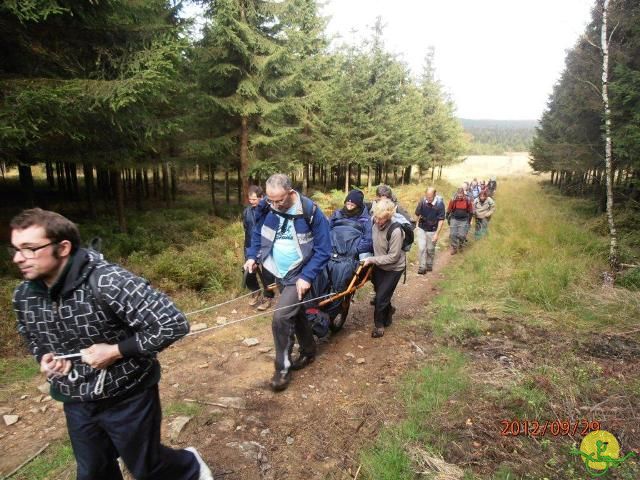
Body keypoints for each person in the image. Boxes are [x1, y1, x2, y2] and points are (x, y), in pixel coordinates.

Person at [10, 209, 213, 480]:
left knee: (146, 468)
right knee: (93, 472)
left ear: (63, 247)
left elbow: (172, 323)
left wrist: (115, 351)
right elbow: (31, 335)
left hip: (129, 394)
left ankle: (191, 466)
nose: (18, 258)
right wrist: (45, 358)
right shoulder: (24, 295)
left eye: (30, 249)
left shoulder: (108, 281)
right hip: (77, 398)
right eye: (15, 249)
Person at [244, 174, 331, 392]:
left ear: (291, 193)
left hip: (299, 273)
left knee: (281, 317)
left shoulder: (310, 211)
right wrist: (253, 256)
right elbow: (258, 232)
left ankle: (282, 369)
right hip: (278, 271)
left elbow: (324, 249)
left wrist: (307, 276)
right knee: (295, 311)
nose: (274, 205)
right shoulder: (267, 206)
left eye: (279, 200)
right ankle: (309, 350)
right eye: (271, 200)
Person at [363, 198, 406, 338]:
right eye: (375, 217)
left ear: (388, 217)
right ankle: (389, 312)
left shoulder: (396, 231)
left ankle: (379, 326)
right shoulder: (374, 223)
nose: (376, 220)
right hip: (379, 265)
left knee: (380, 298)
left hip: (394, 268)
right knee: (380, 291)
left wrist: (371, 259)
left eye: (380, 218)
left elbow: (393, 257)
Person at [242, 185, 275, 311]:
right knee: (247, 270)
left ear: (261, 197)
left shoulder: (269, 211)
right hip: (251, 245)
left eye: (254, 199)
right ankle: (255, 291)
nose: (252, 202)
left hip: (266, 246)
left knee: (267, 274)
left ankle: (268, 297)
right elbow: (246, 228)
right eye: (250, 199)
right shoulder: (247, 212)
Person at [329, 189, 373, 259]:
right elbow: (327, 230)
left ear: (358, 205)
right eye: (347, 204)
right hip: (333, 248)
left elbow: (368, 240)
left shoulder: (365, 219)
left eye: (352, 205)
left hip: (353, 253)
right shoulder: (337, 214)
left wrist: (355, 250)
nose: (349, 207)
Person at [414, 187, 445, 274]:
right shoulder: (422, 201)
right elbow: (417, 214)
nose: (428, 199)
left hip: (432, 229)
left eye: (430, 197)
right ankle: (422, 267)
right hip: (422, 227)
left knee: (430, 249)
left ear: (435, 195)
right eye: (427, 196)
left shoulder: (440, 204)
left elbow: (441, 220)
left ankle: (429, 264)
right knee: (421, 248)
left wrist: (437, 234)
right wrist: (416, 226)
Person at [446, 188, 473, 255]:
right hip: (454, 219)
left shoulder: (467, 200)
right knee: (452, 234)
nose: (459, 197)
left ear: (463, 194)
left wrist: (469, 221)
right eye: (458, 195)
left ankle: (461, 245)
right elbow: (449, 210)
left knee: (462, 235)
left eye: (461, 196)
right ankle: (454, 248)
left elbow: (471, 211)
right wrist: (447, 217)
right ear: (457, 194)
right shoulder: (453, 200)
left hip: (464, 220)